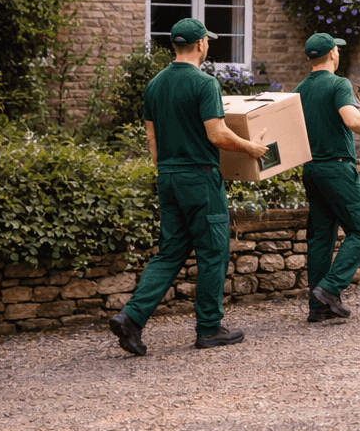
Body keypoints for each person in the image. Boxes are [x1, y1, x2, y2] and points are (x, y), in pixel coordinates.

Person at [109, 19, 268, 356]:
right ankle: (209, 329)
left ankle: (131, 317)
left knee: (170, 251)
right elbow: (217, 134)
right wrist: (251, 148)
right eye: (207, 41)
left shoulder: (154, 85)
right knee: (213, 252)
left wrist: (168, 170)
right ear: (200, 45)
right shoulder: (204, 83)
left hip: (167, 177)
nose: (207, 45)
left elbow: (152, 139)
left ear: (174, 46)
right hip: (200, 179)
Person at [295, 33, 360, 323]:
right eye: (337, 49)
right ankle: (329, 289)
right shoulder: (339, 83)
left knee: (321, 237)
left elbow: (337, 115)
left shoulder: (300, 89)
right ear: (332, 54)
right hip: (338, 168)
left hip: (312, 170)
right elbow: (350, 120)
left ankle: (317, 308)